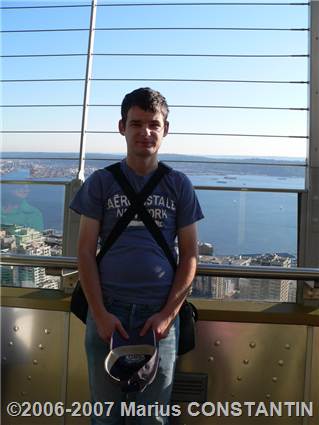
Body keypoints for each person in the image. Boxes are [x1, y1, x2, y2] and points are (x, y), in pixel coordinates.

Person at [70, 87, 204, 424]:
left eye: (154, 124)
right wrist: (99, 313)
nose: (146, 132)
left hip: (158, 318)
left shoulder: (178, 184)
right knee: (105, 416)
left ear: (165, 130)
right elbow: (85, 251)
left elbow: (190, 256)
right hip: (108, 312)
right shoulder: (101, 183)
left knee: (152, 418)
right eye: (137, 123)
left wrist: (166, 315)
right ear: (122, 127)